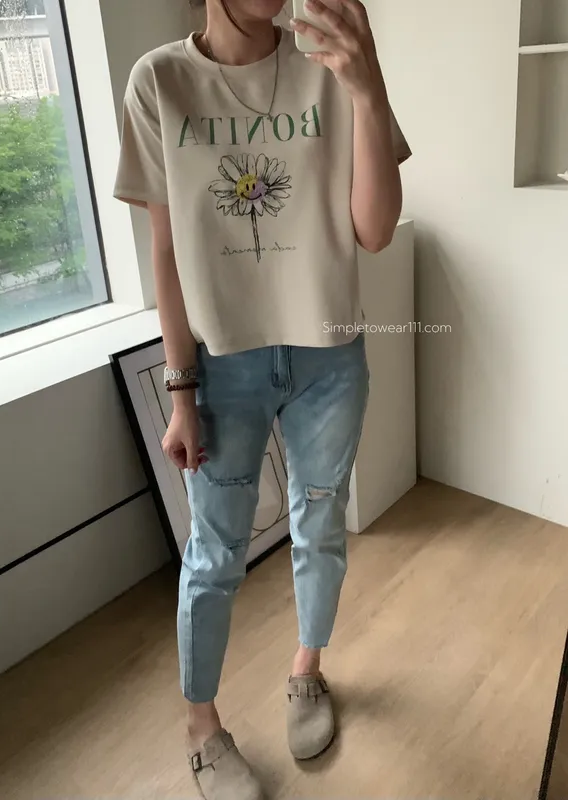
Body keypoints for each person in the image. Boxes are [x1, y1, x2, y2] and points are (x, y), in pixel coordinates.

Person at [114, 0, 411, 797]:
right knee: (214, 553)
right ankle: (200, 726)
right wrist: (181, 389)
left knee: (322, 525)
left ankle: (307, 668)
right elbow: (166, 253)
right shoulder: (159, 82)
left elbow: (376, 230)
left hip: (329, 356)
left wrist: (368, 87)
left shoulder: (329, 63)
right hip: (221, 365)